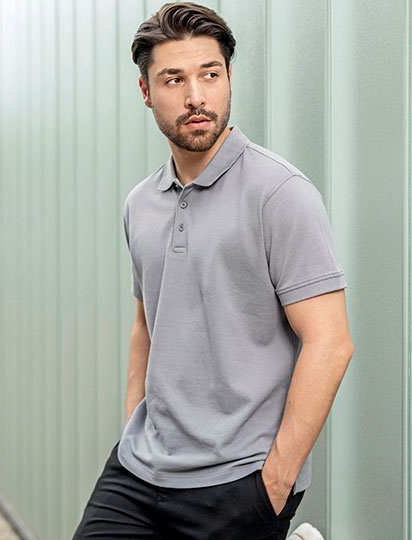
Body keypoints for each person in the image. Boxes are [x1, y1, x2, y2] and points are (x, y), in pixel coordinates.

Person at [73, 2, 354, 539]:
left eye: (210, 74)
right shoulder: (140, 203)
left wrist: (275, 482)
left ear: (228, 78)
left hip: (239, 478)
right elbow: (146, 325)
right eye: (174, 79)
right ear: (145, 91)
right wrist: (134, 426)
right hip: (140, 468)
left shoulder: (279, 193)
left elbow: (331, 342)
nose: (196, 96)